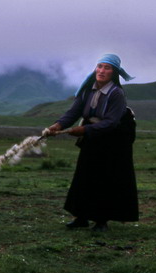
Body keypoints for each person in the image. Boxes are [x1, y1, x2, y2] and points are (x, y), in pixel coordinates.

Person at [43, 54, 139, 232]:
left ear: (114, 72)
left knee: (105, 177)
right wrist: (58, 125)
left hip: (114, 140)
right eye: (100, 66)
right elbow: (73, 112)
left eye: (107, 68)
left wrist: (85, 130)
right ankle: (81, 217)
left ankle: (101, 220)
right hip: (93, 136)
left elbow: (112, 122)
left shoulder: (116, 94)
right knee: (85, 174)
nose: (102, 71)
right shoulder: (87, 90)